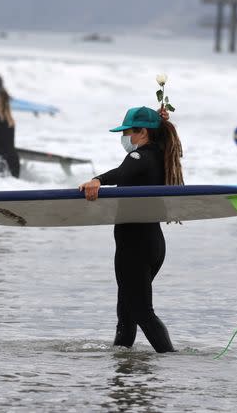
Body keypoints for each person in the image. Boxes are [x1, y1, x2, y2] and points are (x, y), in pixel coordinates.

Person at [78, 106, 183, 353]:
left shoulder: (141, 157)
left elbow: (123, 172)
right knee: (127, 312)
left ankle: (172, 360)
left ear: (143, 132)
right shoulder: (159, 154)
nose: (124, 138)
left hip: (134, 247)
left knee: (141, 312)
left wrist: (98, 180)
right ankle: (123, 363)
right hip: (152, 243)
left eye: (128, 132)